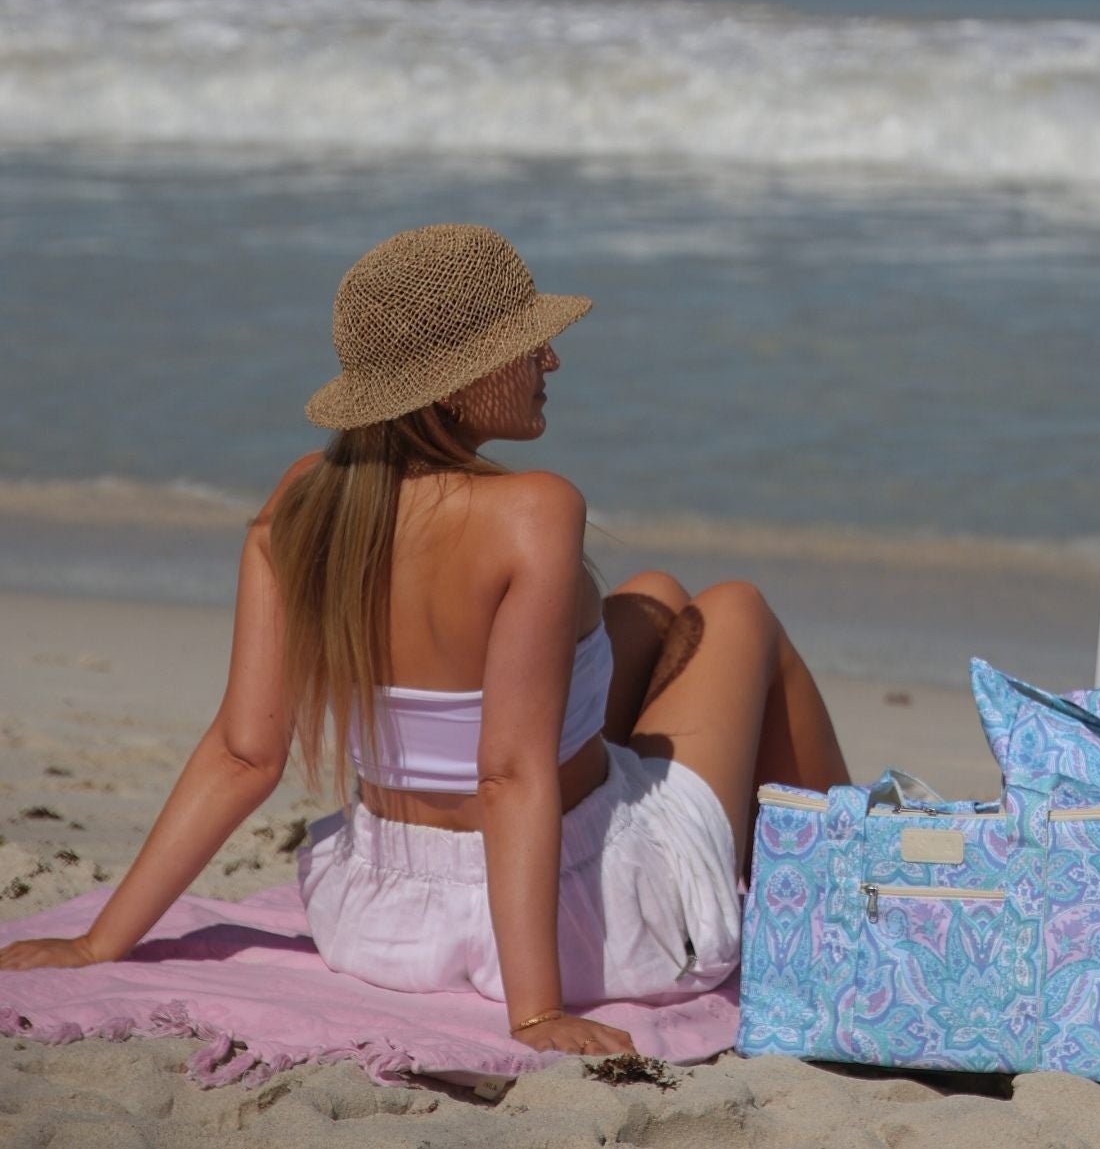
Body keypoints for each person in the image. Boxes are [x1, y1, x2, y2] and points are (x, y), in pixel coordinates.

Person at [0, 223, 850, 1057]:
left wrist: (97, 941)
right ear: (453, 384)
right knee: (736, 609)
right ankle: (851, 896)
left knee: (654, 596)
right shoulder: (533, 510)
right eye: (525, 345)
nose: (550, 360)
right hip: (580, 928)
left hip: (379, 919)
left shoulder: (303, 503)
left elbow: (242, 753)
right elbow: (508, 772)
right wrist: (535, 1013)